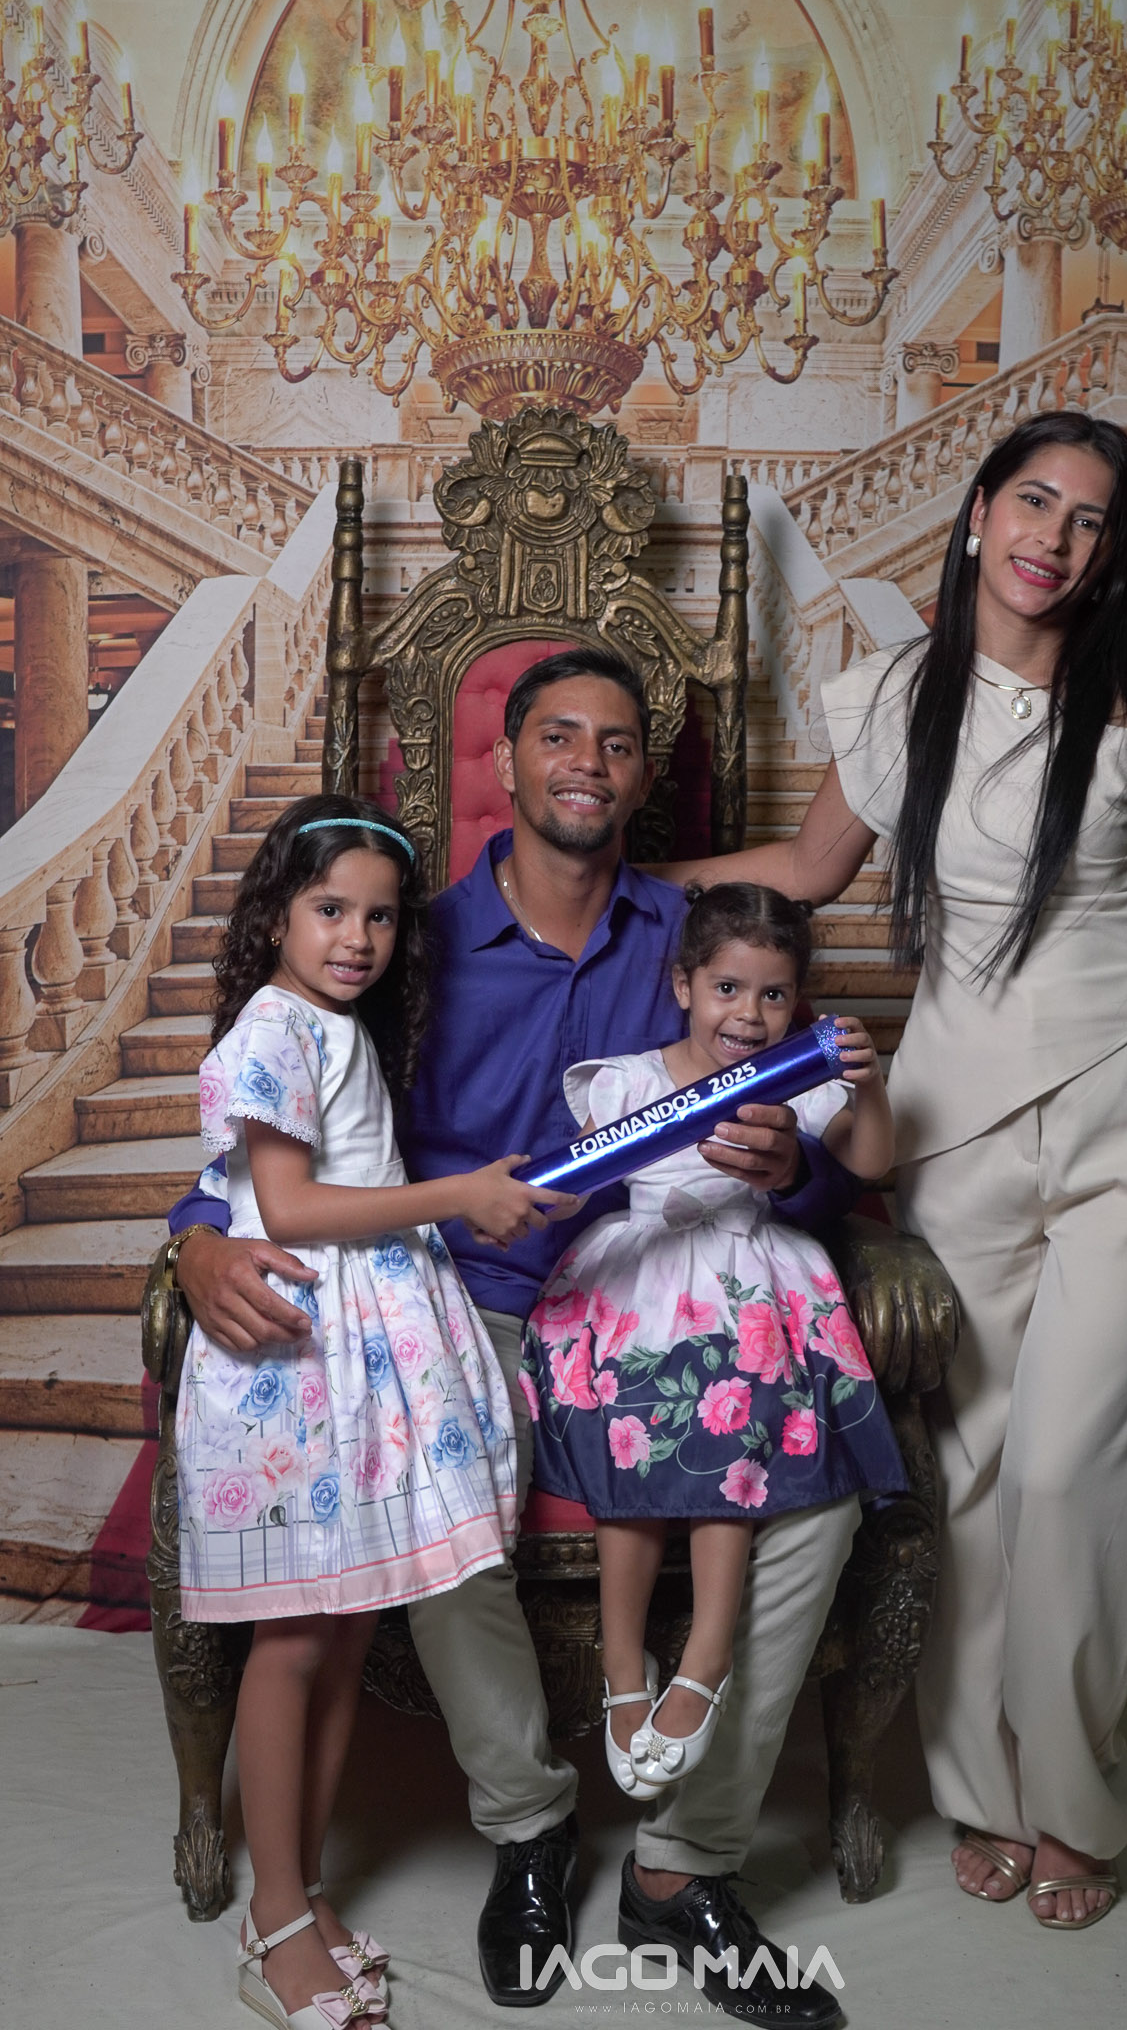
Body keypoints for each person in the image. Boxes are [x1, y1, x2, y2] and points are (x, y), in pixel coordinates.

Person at [168, 651, 857, 2029]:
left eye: (616, 742)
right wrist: (195, 1238)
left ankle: (682, 1859)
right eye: (558, 735)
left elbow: (817, 1131)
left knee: (820, 1494)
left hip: (646, 1291)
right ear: (506, 759)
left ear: (641, 776)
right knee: (442, 1482)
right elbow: (282, 1129)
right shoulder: (404, 937)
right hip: (456, 1298)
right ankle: (530, 1820)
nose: (585, 763)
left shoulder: (691, 938)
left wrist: (793, 1164)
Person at [667, 412, 1127, 1931]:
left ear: (1112, 552)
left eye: (1089, 518)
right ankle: (981, 1794)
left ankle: (1077, 1802)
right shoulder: (896, 693)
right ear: (981, 510)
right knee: (978, 1478)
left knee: (1076, 1472)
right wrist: (599, 882)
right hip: (959, 1119)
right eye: (1033, 501)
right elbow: (808, 873)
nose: (1053, 538)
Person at [178, 796, 578, 2029]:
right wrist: (458, 1194)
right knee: (295, 1637)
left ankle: (301, 1891)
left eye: (382, 917)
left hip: (371, 1355)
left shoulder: (337, 1026)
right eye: (329, 909)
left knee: (348, 1629)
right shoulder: (273, 1024)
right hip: (303, 1358)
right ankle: (273, 1914)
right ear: (276, 916)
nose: (357, 937)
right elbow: (291, 1207)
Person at [521, 881, 906, 1799]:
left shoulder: (798, 1083)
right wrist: (534, 1199)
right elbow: (574, 1180)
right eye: (727, 988)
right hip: (642, 1273)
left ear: (797, 1001)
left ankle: (705, 1655)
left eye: (773, 994)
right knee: (630, 1425)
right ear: (683, 984)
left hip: (746, 1279)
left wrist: (869, 1086)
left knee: (728, 1418)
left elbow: (871, 1162)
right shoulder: (628, 1080)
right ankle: (623, 1666)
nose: (748, 1014)